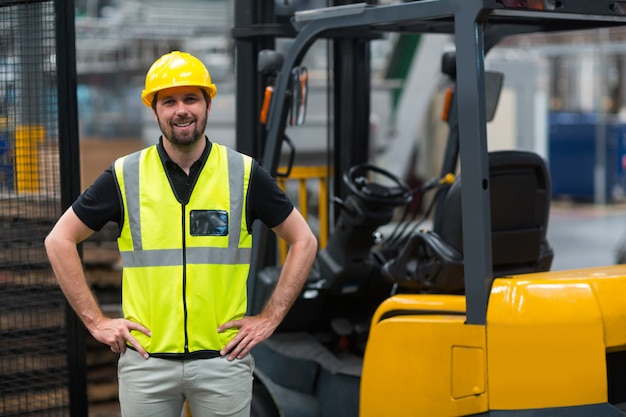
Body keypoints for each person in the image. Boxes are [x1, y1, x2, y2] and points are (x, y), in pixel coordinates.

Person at [45, 51, 318, 417]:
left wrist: (270, 317)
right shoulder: (126, 176)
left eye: (191, 98)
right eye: (169, 101)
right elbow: (58, 240)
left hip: (223, 361)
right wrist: (96, 321)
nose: (181, 110)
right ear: (154, 110)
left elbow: (305, 240)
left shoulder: (243, 173)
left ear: (208, 104)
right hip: (147, 363)